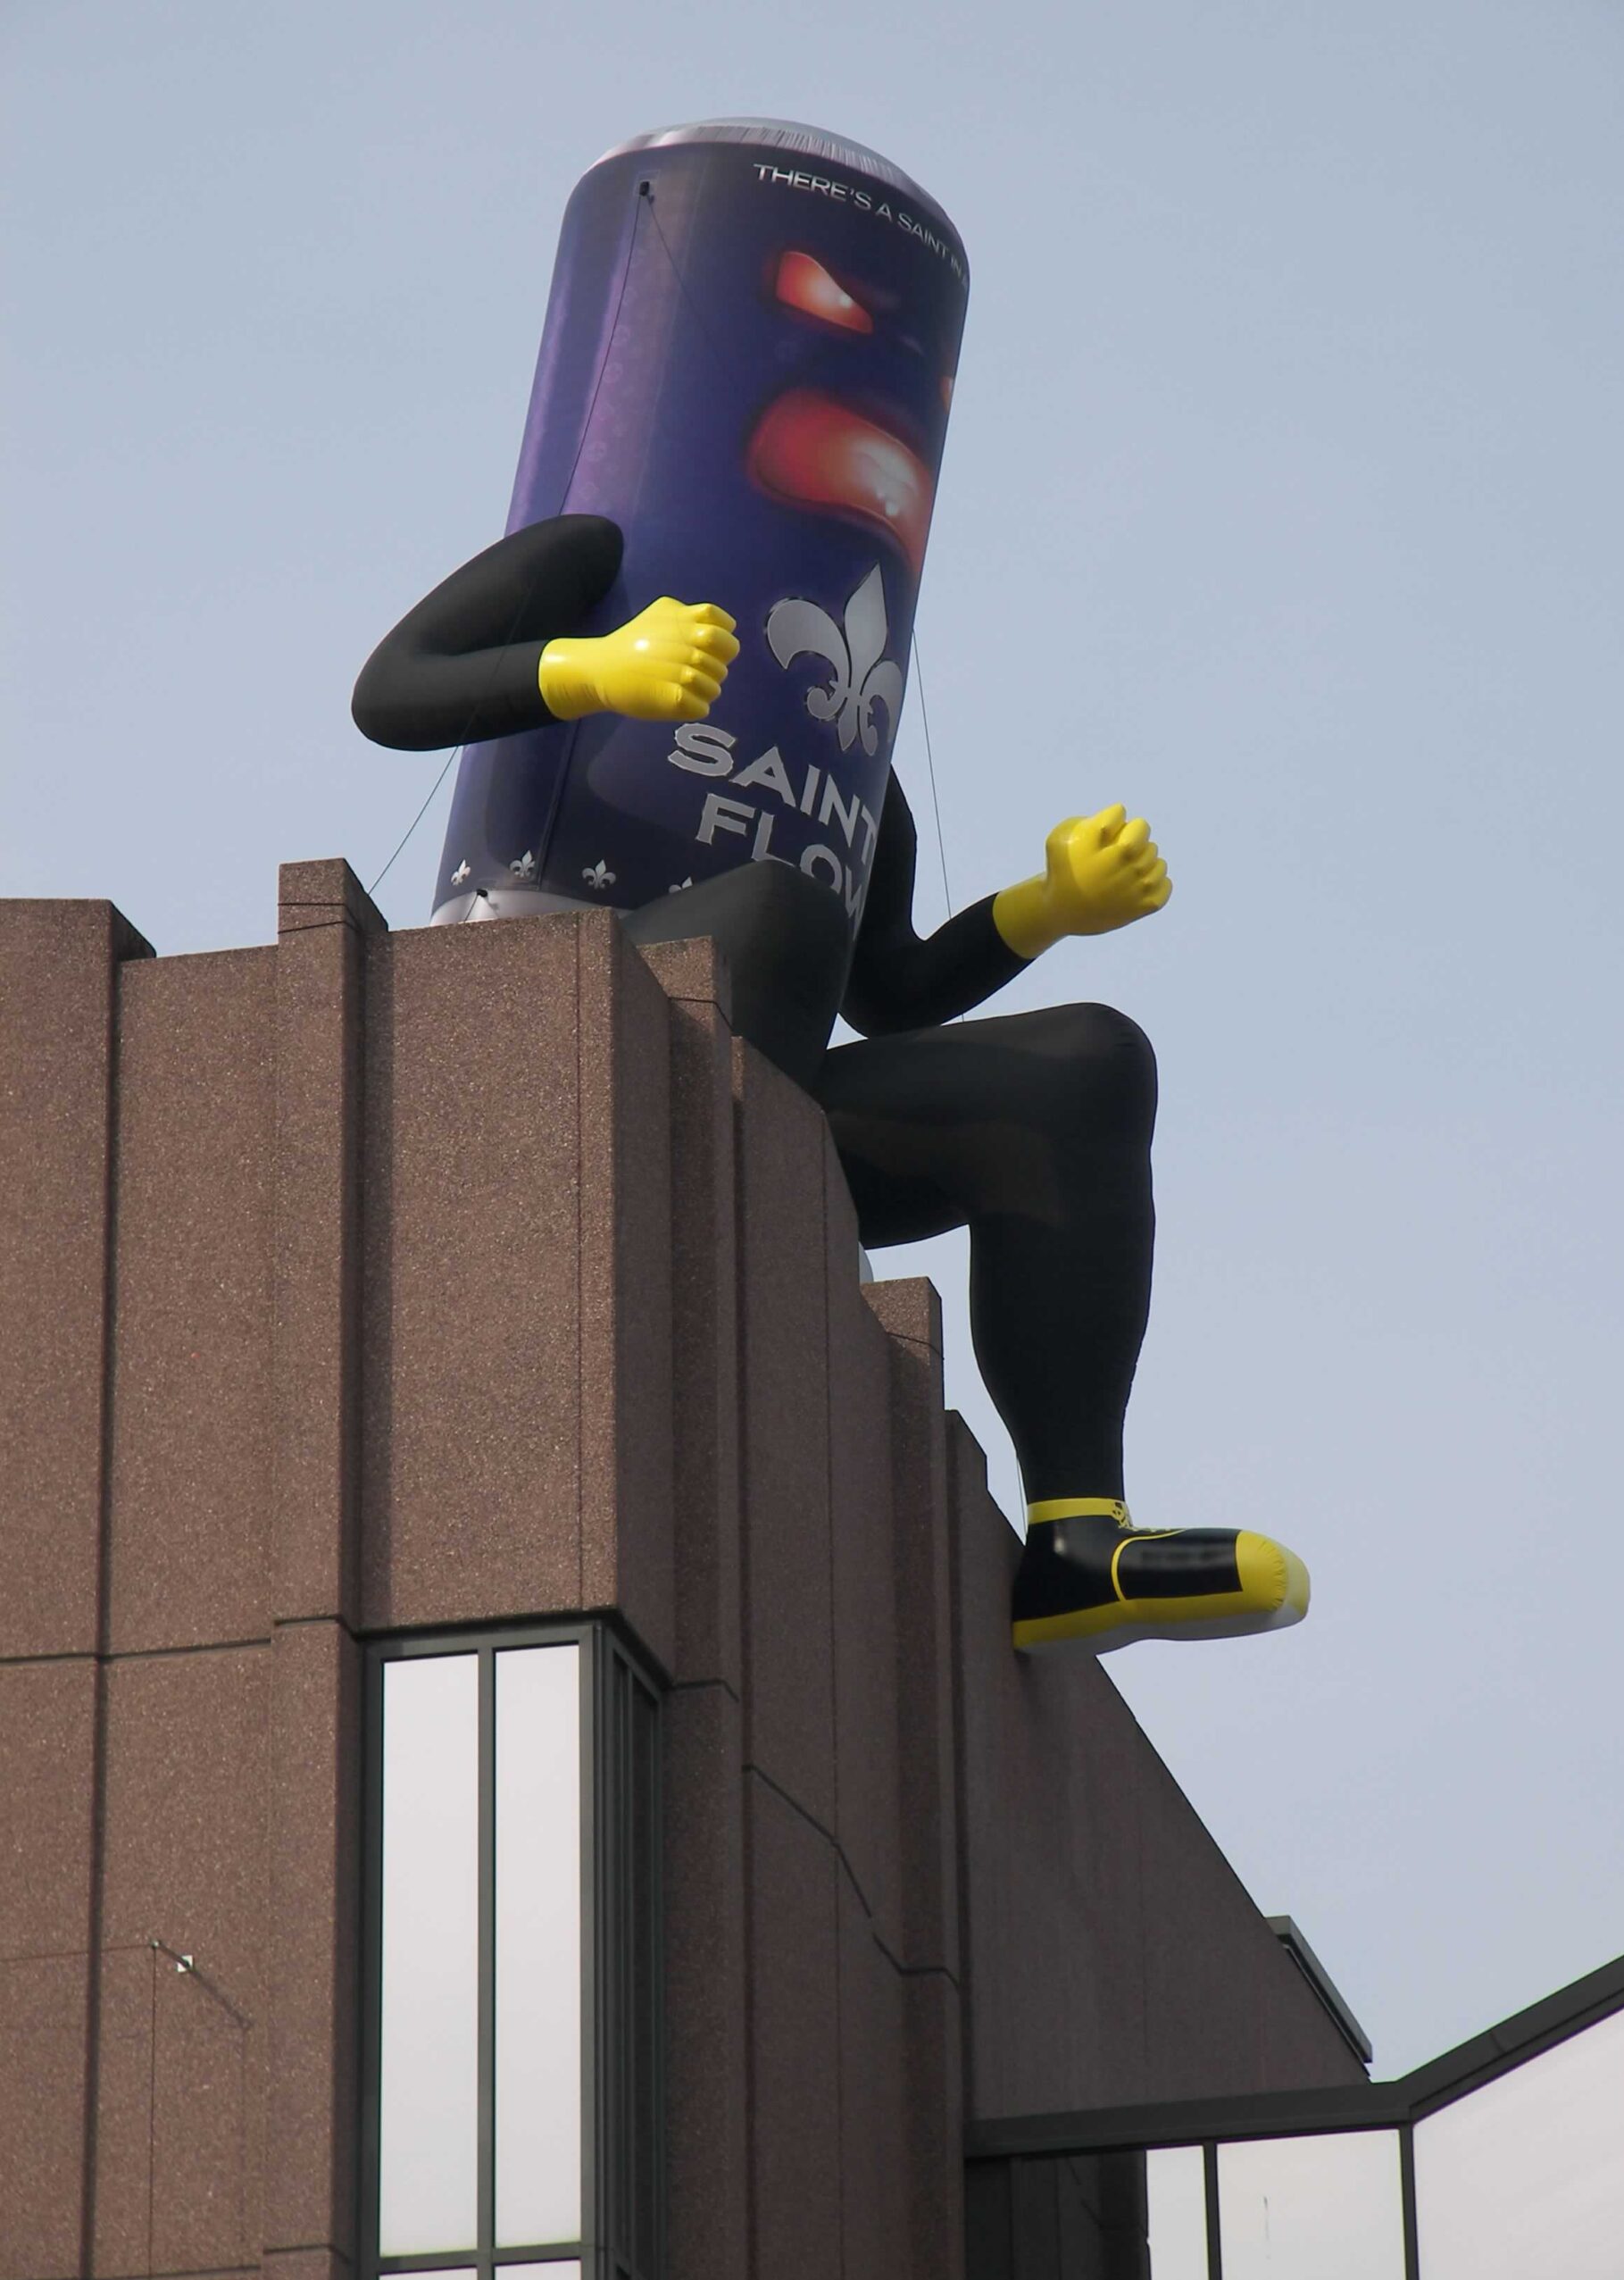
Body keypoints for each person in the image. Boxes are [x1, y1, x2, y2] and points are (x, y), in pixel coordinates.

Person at [354, 512, 1309, 1653]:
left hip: (752, 1092)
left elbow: (891, 988)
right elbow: (390, 691)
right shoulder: (599, 555)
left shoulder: (835, 745)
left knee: (1084, 1067)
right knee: (775, 909)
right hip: (524, 1044)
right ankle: (676, 1256)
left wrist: (1047, 908)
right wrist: (596, 665)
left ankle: (1077, 1543)